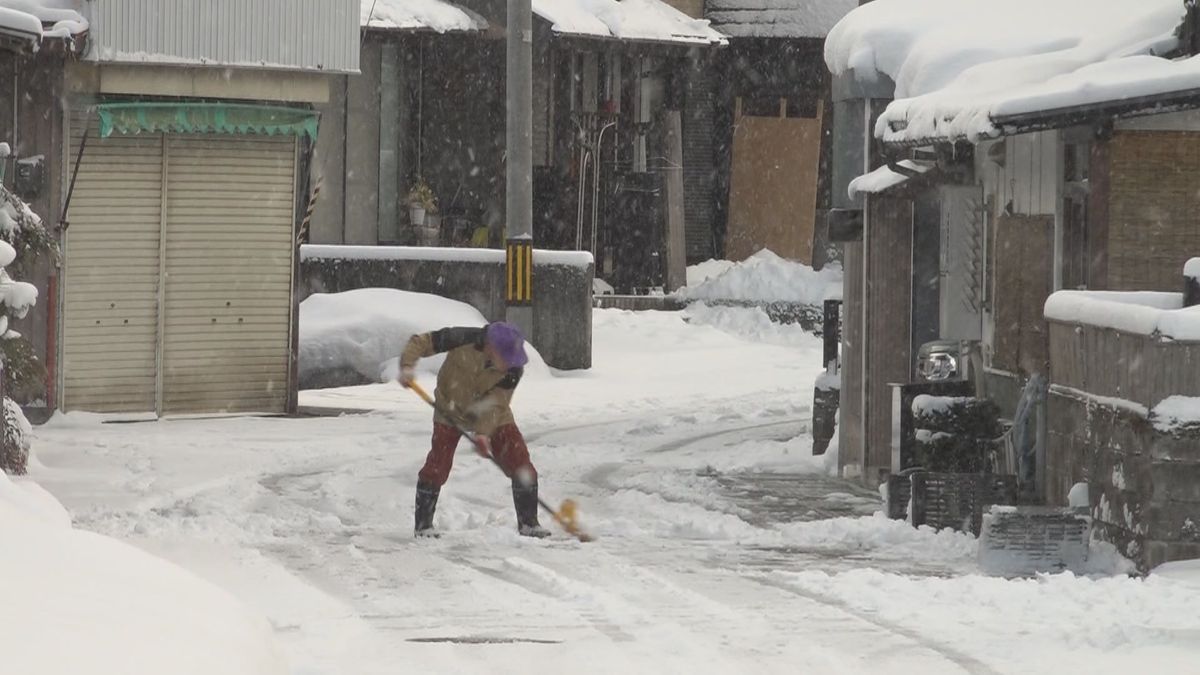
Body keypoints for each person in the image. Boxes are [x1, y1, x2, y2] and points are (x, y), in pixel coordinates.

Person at [398, 321, 550, 538]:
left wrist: (483, 433)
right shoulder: (461, 338)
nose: (509, 365)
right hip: (450, 409)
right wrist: (407, 366)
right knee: (437, 465)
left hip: (493, 413)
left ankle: (529, 523)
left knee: (520, 460)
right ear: (492, 347)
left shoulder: (514, 369)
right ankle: (423, 525)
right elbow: (420, 342)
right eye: (505, 358)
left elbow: (496, 402)